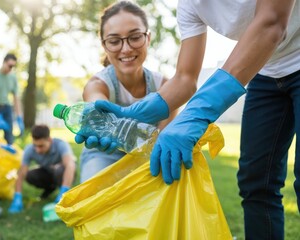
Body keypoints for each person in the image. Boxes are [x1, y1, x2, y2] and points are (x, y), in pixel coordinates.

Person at [80, 1, 299, 239]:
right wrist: (145, 110)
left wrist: (195, 113)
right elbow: (185, 77)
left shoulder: (155, 78)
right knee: (256, 182)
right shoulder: (189, 5)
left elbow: (271, 24)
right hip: (265, 71)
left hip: (278, 54)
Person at [76, 1, 176, 183]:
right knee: (97, 199)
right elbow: (94, 101)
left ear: (148, 38)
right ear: (105, 46)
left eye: (135, 37)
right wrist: (95, 112)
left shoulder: (163, 85)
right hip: (103, 154)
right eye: (114, 41)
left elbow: (163, 137)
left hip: (146, 153)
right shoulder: (99, 84)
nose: (126, 48)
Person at [8, 124, 76, 213]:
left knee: (59, 170)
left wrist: (64, 191)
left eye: (41, 146)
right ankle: (50, 188)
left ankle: (63, 194)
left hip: (64, 173)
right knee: (30, 175)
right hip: (48, 172)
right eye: (35, 145)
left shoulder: (61, 145)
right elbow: (21, 173)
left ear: (49, 140)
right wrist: (17, 196)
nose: (37, 150)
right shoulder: (29, 149)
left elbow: (70, 166)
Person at [0, 53, 24, 145]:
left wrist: (19, 117)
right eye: (10, 66)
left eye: (13, 66)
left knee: (9, 140)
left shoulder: (13, 77)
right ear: (4, 62)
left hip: (7, 109)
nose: (11, 69)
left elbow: (16, 99)